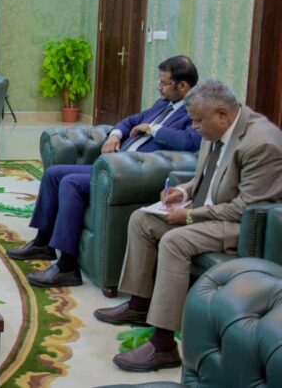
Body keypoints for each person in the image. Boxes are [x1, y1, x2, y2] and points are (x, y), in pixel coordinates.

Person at [94, 79, 282, 372]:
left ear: (222, 114)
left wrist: (190, 216)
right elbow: (206, 178)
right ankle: (139, 305)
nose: (193, 128)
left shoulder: (262, 142)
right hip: (211, 212)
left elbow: (246, 208)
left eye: (197, 121)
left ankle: (163, 345)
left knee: (174, 241)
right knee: (142, 219)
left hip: (243, 225)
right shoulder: (213, 129)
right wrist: (182, 193)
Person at [6, 56, 202, 288]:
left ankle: (67, 267)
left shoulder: (195, 111)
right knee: (54, 174)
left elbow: (190, 140)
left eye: (164, 83)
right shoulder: (164, 104)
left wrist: (152, 128)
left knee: (70, 183)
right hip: (113, 165)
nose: (159, 87)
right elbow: (131, 121)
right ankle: (43, 243)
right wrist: (114, 136)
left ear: (183, 85)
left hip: (130, 175)